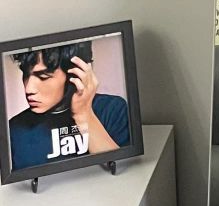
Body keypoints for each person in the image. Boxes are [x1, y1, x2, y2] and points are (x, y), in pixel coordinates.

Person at [8, 41, 130, 171]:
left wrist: (84, 115)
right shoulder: (14, 129)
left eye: (43, 77)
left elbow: (123, 173)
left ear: (75, 74)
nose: (28, 89)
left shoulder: (112, 110)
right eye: (26, 75)